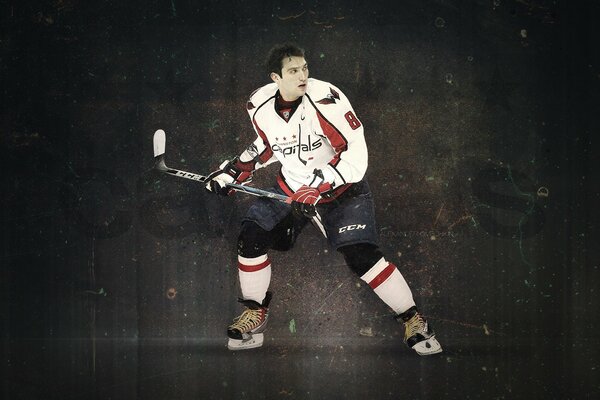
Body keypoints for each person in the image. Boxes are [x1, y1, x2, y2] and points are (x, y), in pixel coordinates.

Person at [205, 43, 442, 355]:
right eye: (293, 71)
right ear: (276, 77)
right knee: (251, 236)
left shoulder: (325, 99)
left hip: (341, 190)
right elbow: (268, 143)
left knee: (361, 254)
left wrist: (319, 184)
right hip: (292, 189)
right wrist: (235, 170)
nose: (303, 75)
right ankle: (255, 314)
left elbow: (355, 154)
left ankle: (414, 320)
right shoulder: (258, 103)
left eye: (305, 68)